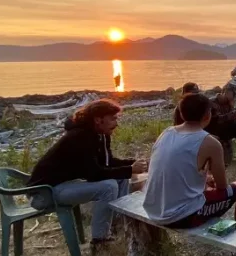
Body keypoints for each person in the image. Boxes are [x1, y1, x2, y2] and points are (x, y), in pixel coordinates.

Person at [28, 99, 147, 247]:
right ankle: (100, 240)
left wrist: (132, 164)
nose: (116, 123)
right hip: (44, 193)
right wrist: (130, 169)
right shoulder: (79, 137)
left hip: (65, 184)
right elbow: (94, 174)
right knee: (109, 186)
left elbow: (107, 163)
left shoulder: (100, 134)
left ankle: (117, 225)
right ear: (98, 119)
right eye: (113, 119)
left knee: (120, 178)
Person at [143, 93, 236, 228]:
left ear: (182, 114)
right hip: (181, 216)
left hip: (153, 210)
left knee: (206, 186)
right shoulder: (210, 142)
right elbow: (222, 186)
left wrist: (203, 180)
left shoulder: (166, 133)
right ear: (207, 116)